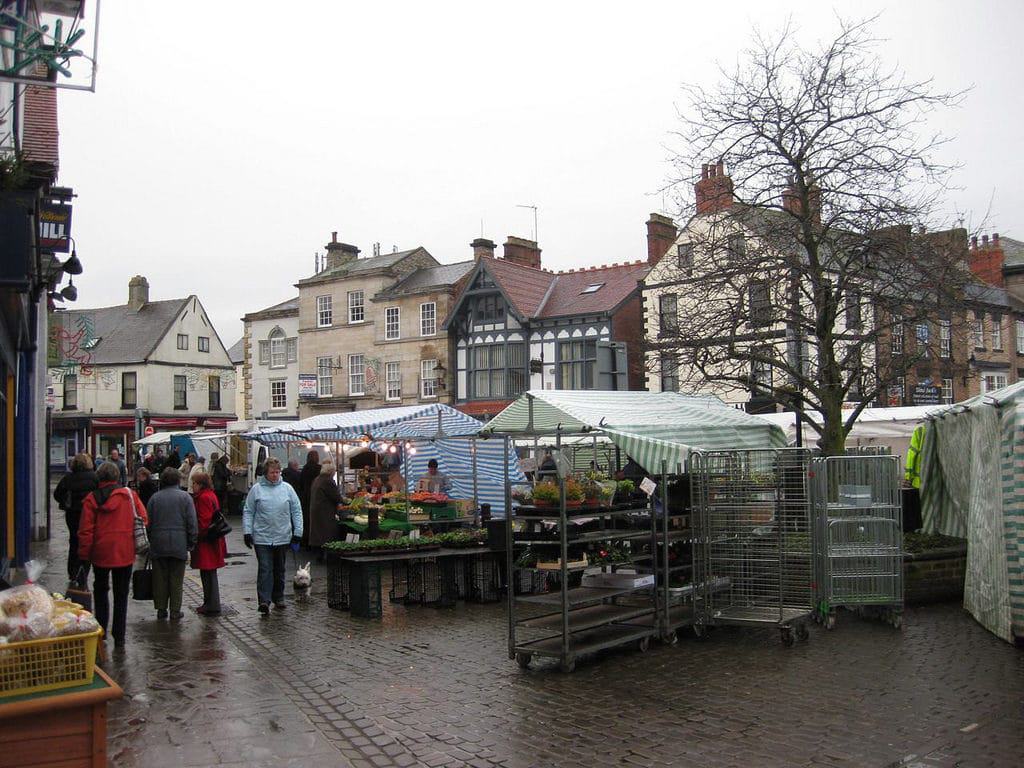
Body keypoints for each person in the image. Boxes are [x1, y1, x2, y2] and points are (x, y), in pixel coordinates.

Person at [78, 461, 148, 648]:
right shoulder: (129, 496)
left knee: (100, 591)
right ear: (117, 476)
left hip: (100, 552)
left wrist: (84, 556)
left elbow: (85, 531)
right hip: (124, 551)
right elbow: (144, 518)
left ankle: (101, 632)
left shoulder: (92, 499)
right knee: (121, 593)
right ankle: (120, 635)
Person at [242, 457, 302, 614]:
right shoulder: (256, 490)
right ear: (266, 473)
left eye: (277, 472)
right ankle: (264, 600)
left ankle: (279, 596)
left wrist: (298, 533)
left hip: (282, 536)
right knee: (265, 568)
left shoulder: (287, 489)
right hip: (262, 537)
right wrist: (247, 531)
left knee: (279, 569)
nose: (275, 475)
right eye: (272, 472)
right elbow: (249, 511)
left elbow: (296, 510)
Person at [146, 467, 198, 620]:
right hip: (179, 543)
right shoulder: (185, 498)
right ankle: (175, 610)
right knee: (176, 579)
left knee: (159, 578)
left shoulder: (154, 498)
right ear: (177, 480)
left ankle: (161, 609)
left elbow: (148, 522)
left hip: (158, 543)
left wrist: (152, 539)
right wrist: (191, 543)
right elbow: (192, 523)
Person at [54, 452, 99, 580]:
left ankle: (72, 571)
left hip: (72, 514)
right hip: (89, 513)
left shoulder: (68, 478)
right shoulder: (95, 478)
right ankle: (83, 570)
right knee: (87, 541)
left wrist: (66, 502)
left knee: (74, 541)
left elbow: (57, 494)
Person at [189, 470, 226, 615]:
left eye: (194, 483)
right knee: (210, 573)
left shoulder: (203, 498)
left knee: (207, 573)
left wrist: (196, 534)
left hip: (206, 541)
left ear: (200, 484)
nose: (192, 486)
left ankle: (211, 604)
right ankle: (210, 603)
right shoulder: (211, 495)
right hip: (213, 540)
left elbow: (204, 521)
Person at [309, 460, 342, 561]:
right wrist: (343, 500)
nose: (334, 473)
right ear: (331, 472)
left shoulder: (317, 479)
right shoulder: (328, 481)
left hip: (316, 510)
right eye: (334, 472)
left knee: (319, 534)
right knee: (326, 533)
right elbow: (336, 497)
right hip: (324, 512)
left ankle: (320, 555)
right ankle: (329, 556)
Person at [298, 450, 320, 548]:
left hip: (305, 497)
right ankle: (313, 542)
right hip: (315, 497)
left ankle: (305, 541)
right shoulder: (319, 469)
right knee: (314, 521)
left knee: (306, 520)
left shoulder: (304, 469)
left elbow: (301, 483)